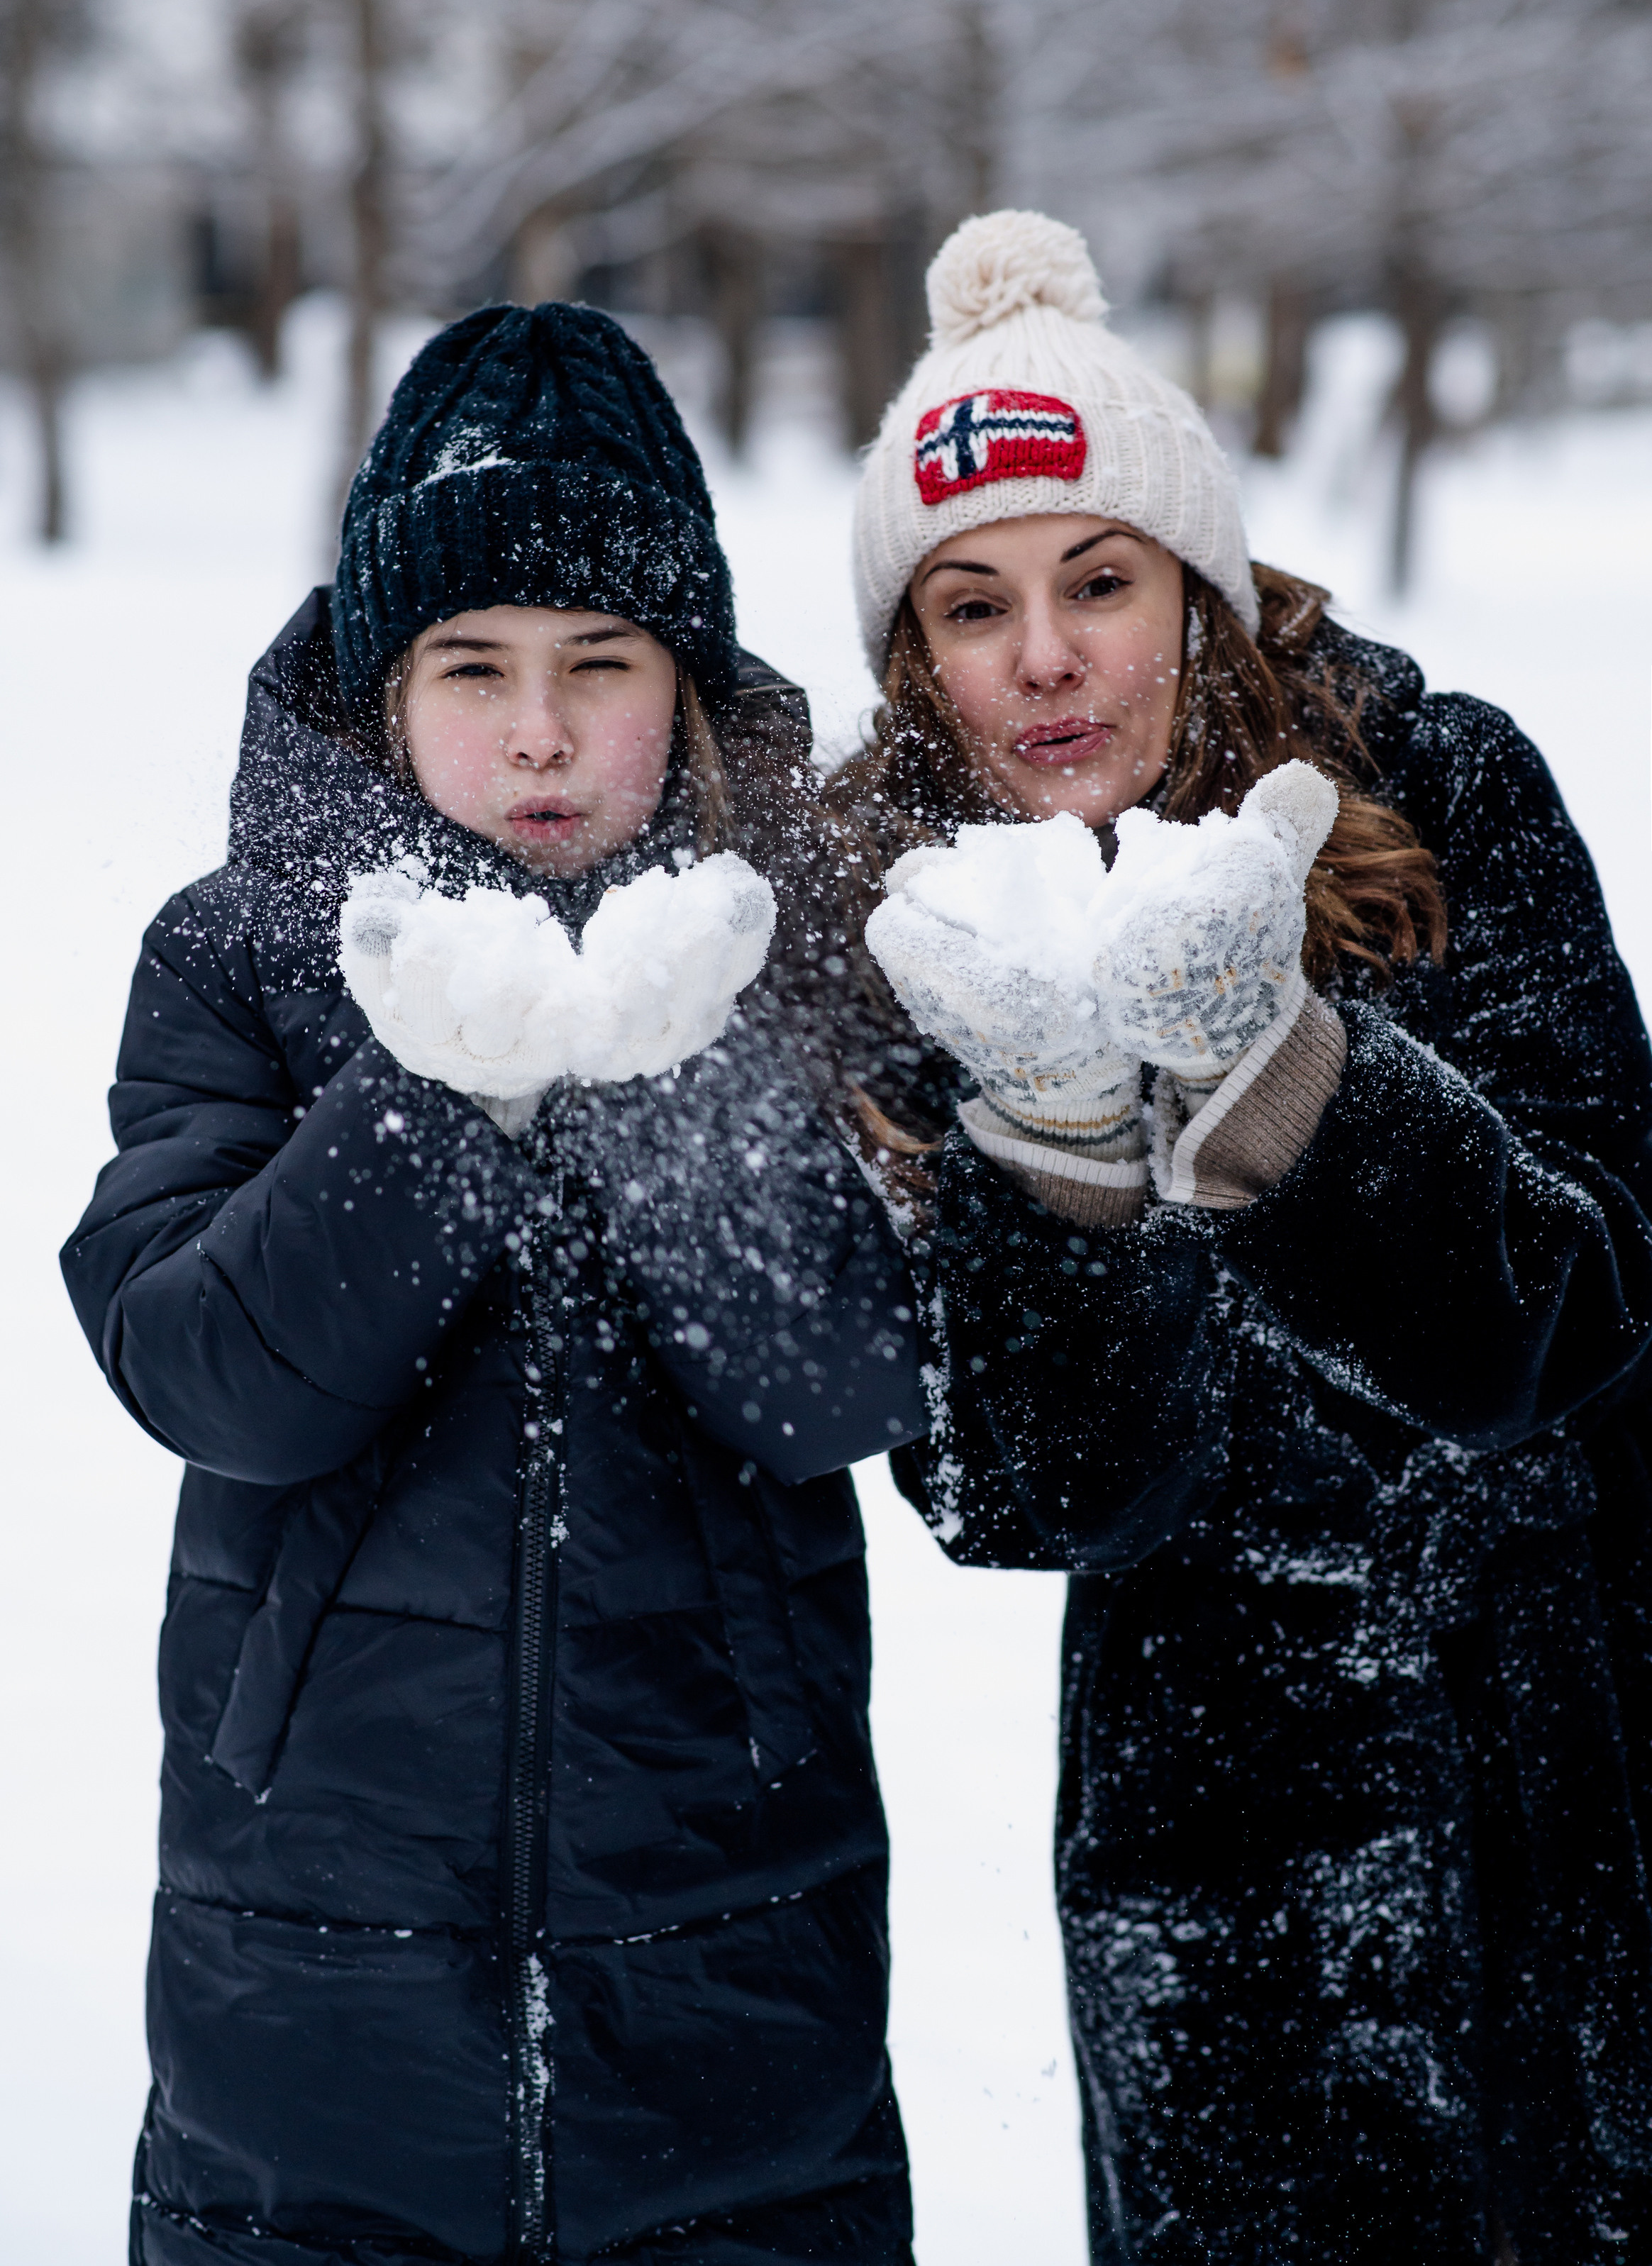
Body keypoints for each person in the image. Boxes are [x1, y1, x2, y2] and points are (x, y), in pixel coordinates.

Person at [61, 302, 928, 2266]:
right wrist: (438, 1090)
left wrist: (669, 1062)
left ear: (682, 685)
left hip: (733, 1993)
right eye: (474, 665)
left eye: (597, 665)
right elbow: (208, 1368)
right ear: (385, 688)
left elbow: (840, 1387)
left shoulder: (788, 951)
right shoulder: (242, 959)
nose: (538, 729)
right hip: (310, 1996)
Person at [828, 211, 1652, 2262]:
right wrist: (1050, 1133)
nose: (1041, 657)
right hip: (1220, 1879)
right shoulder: (929, 943)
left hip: (1561, 1788)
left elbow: (1572, 1317)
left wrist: (1278, 1065)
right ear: (912, 660)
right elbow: (1025, 1495)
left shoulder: (1446, 791)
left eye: (1095, 580)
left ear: (1194, 589)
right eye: (970, 605)